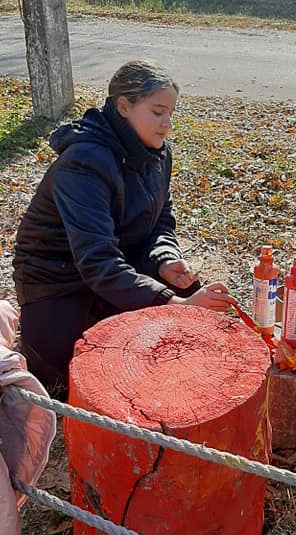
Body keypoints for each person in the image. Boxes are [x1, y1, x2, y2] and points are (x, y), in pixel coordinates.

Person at [13, 61, 235, 393]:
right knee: (69, 380)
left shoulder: (158, 155)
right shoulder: (84, 161)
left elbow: (160, 219)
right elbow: (96, 262)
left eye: (170, 113)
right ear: (123, 106)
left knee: (190, 305)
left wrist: (165, 259)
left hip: (117, 259)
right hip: (58, 280)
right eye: (158, 112)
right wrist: (170, 305)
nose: (167, 124)